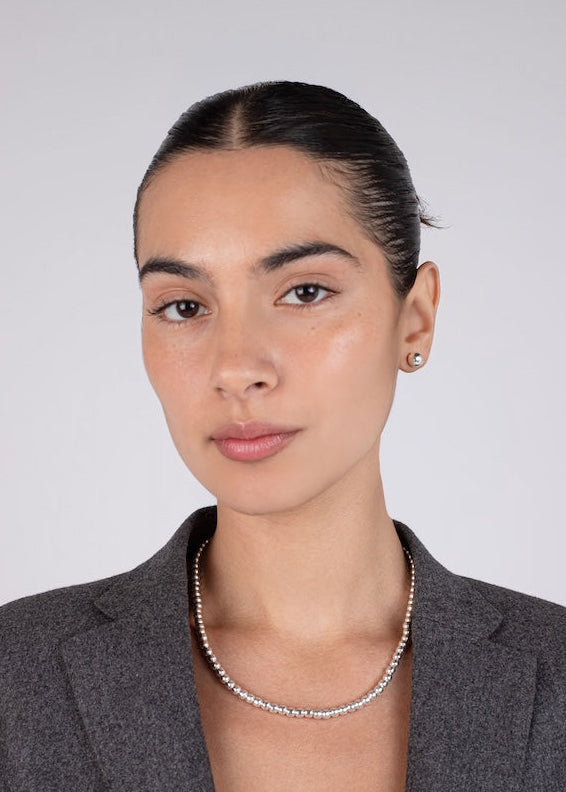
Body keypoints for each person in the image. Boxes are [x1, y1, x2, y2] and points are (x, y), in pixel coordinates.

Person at [1, 81, 565, 792]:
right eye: (183, 305)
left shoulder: (555, 677)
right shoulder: (18, 677)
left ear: (414, 319)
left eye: (304, 292)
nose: (236, 368)